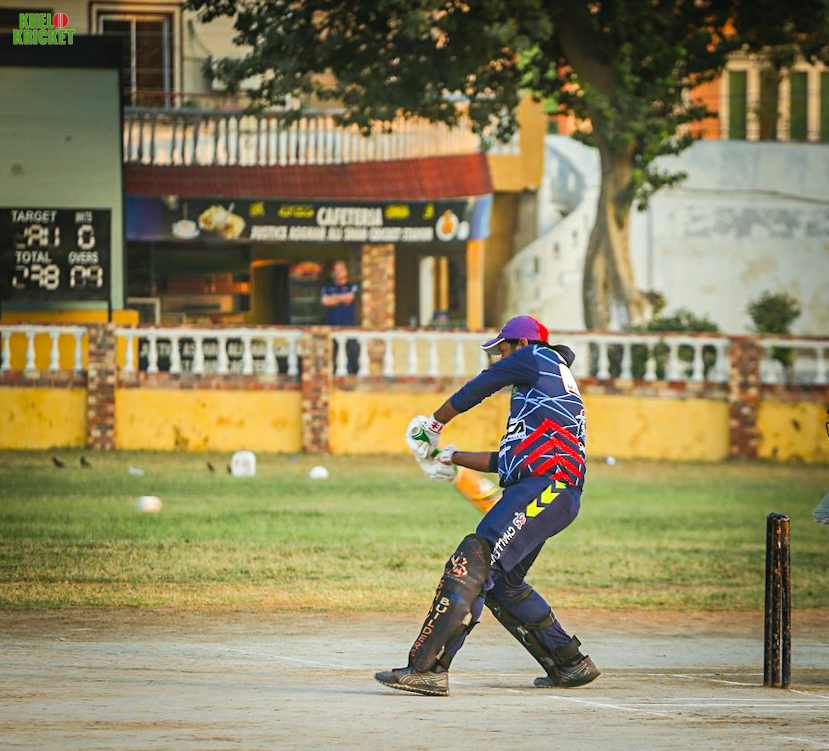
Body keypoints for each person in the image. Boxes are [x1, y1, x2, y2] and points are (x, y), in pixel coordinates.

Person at [375, 315, 600, 696]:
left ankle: (427, 670)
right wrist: (451, 457)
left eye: (503, 350)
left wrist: (434, 424)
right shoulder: (542, 392)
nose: (500, 359)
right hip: (552, 491)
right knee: (504, 585)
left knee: (473, 561)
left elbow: (481, 385)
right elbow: (508, 459)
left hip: (545, 489)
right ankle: (569, 663)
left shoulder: (536, 357)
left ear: (522, 344)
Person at [320, 261, 359, 374]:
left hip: (349, 324)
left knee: (353, 351)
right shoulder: (327, 286)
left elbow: (349, 298)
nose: (338, 272)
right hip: (331, 324)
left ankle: (352, 374)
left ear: (346, 271)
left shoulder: (351, 286)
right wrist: (341, 298)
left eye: (341, 269)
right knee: (331, 353)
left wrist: (333, 298)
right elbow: (325, 301)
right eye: (336, 270)